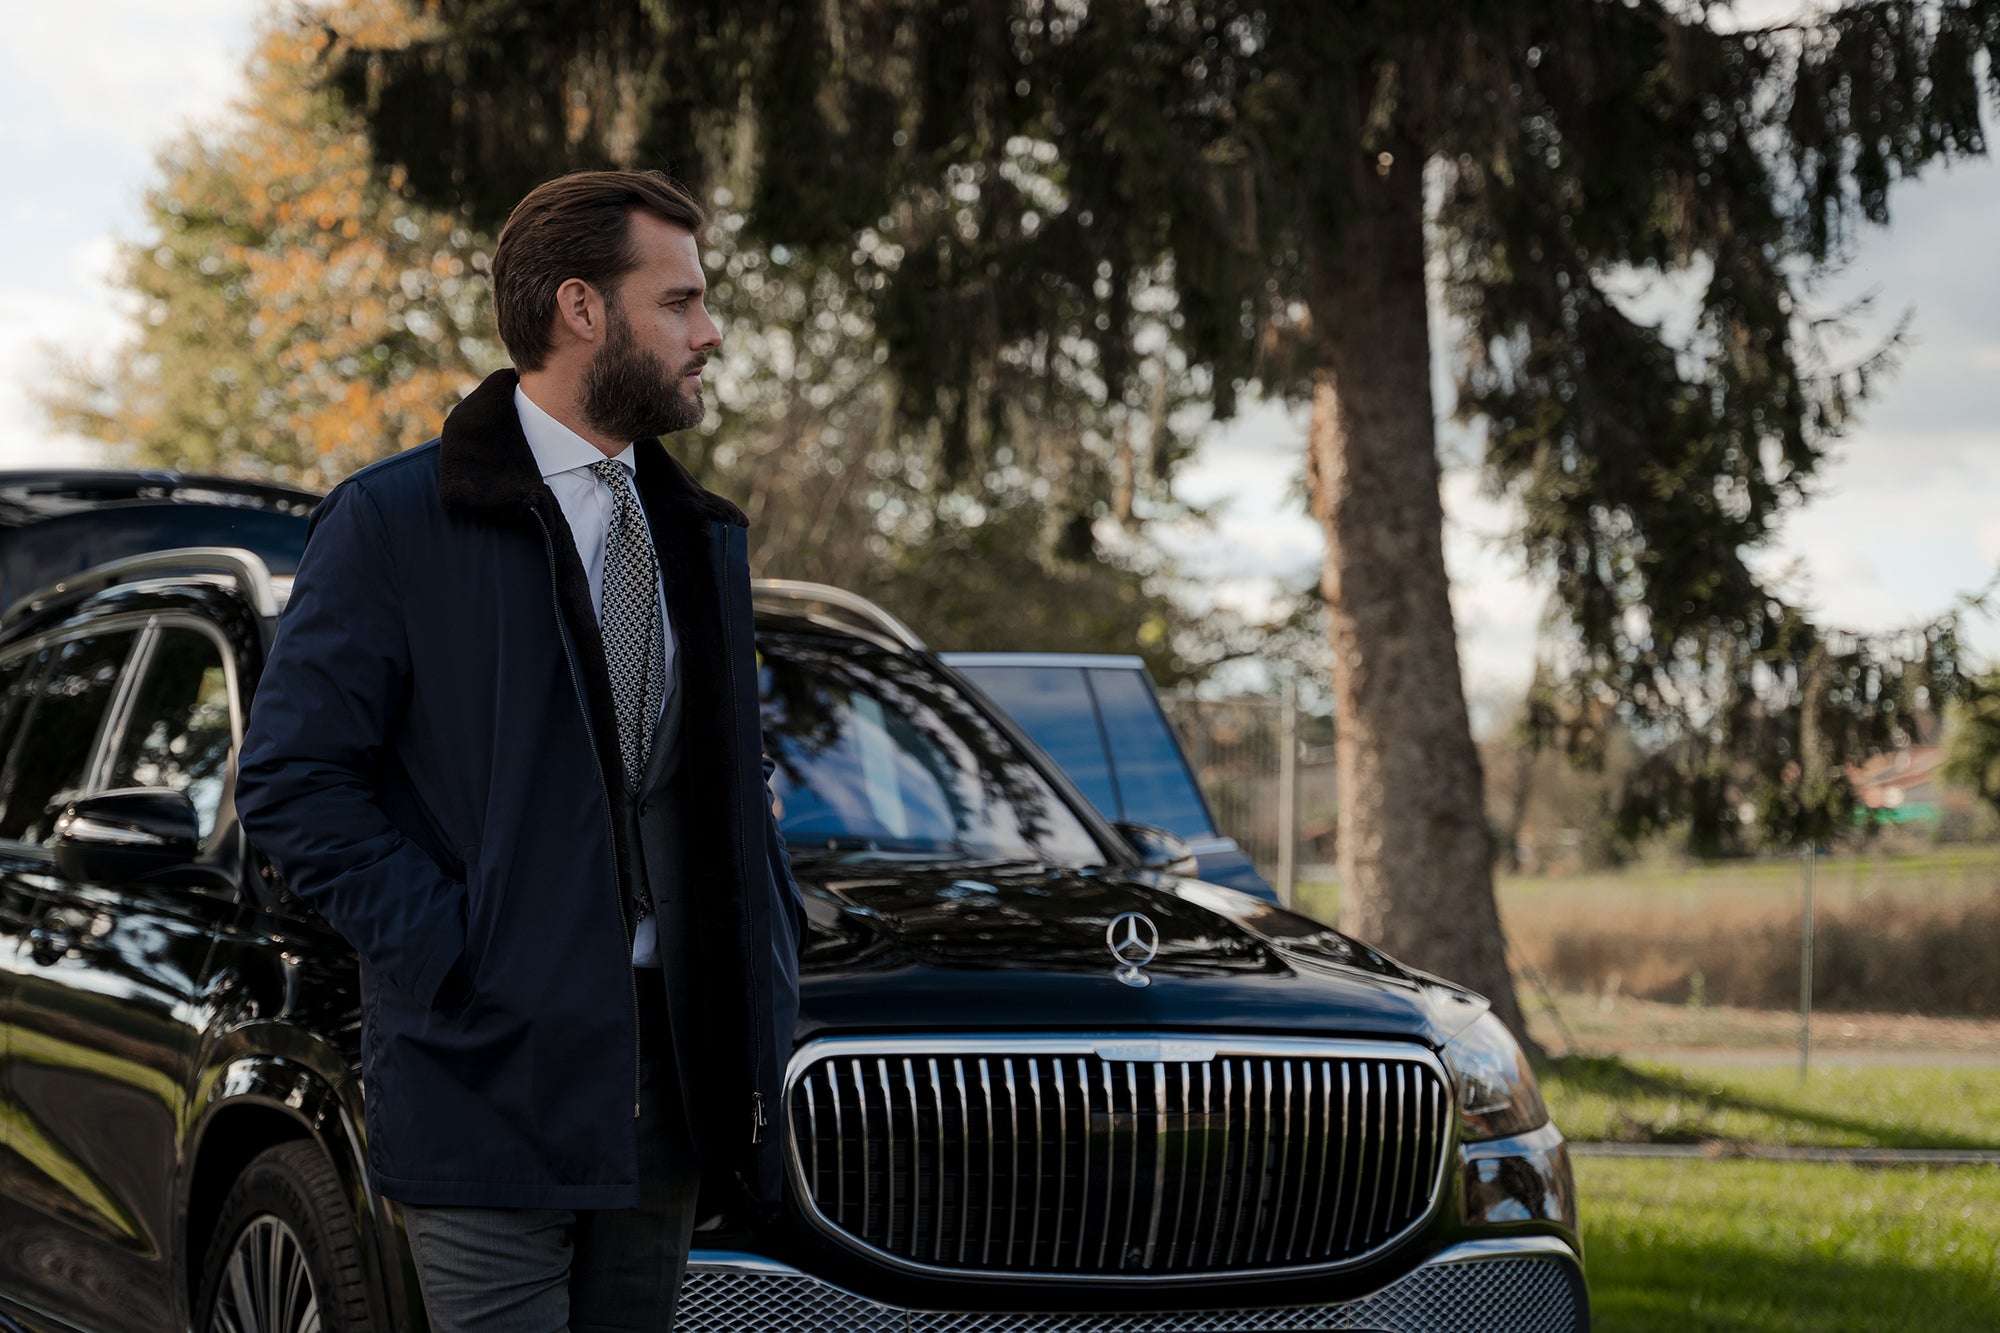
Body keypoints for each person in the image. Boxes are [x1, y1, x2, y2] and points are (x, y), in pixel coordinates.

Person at [235, 169, 803, 1332]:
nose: (709, 332)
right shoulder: (392, 521)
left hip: (671, 1081)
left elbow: (706, 781)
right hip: (485, 1070)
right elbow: (294, 782)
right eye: (680, 301)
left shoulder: (700, 536)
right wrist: (461, 953)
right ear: (580, 307)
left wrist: (767, 946)